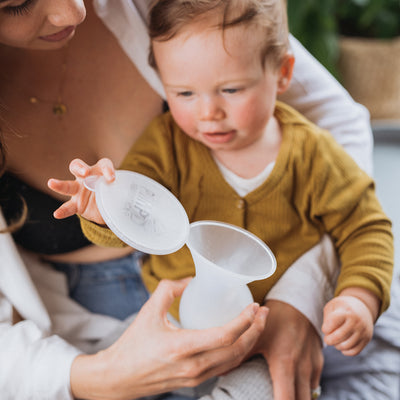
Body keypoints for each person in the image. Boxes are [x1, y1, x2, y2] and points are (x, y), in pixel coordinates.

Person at [0, 0, 396, 399]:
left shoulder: (312, 152)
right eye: (184, 93)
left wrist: (355, 297)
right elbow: (135, 215)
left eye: (230, 90)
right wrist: (102, 211)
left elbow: (366, 226)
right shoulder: (166, 143)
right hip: (157, 320)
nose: (209, 113)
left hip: (281, 308)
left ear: (283, 74)